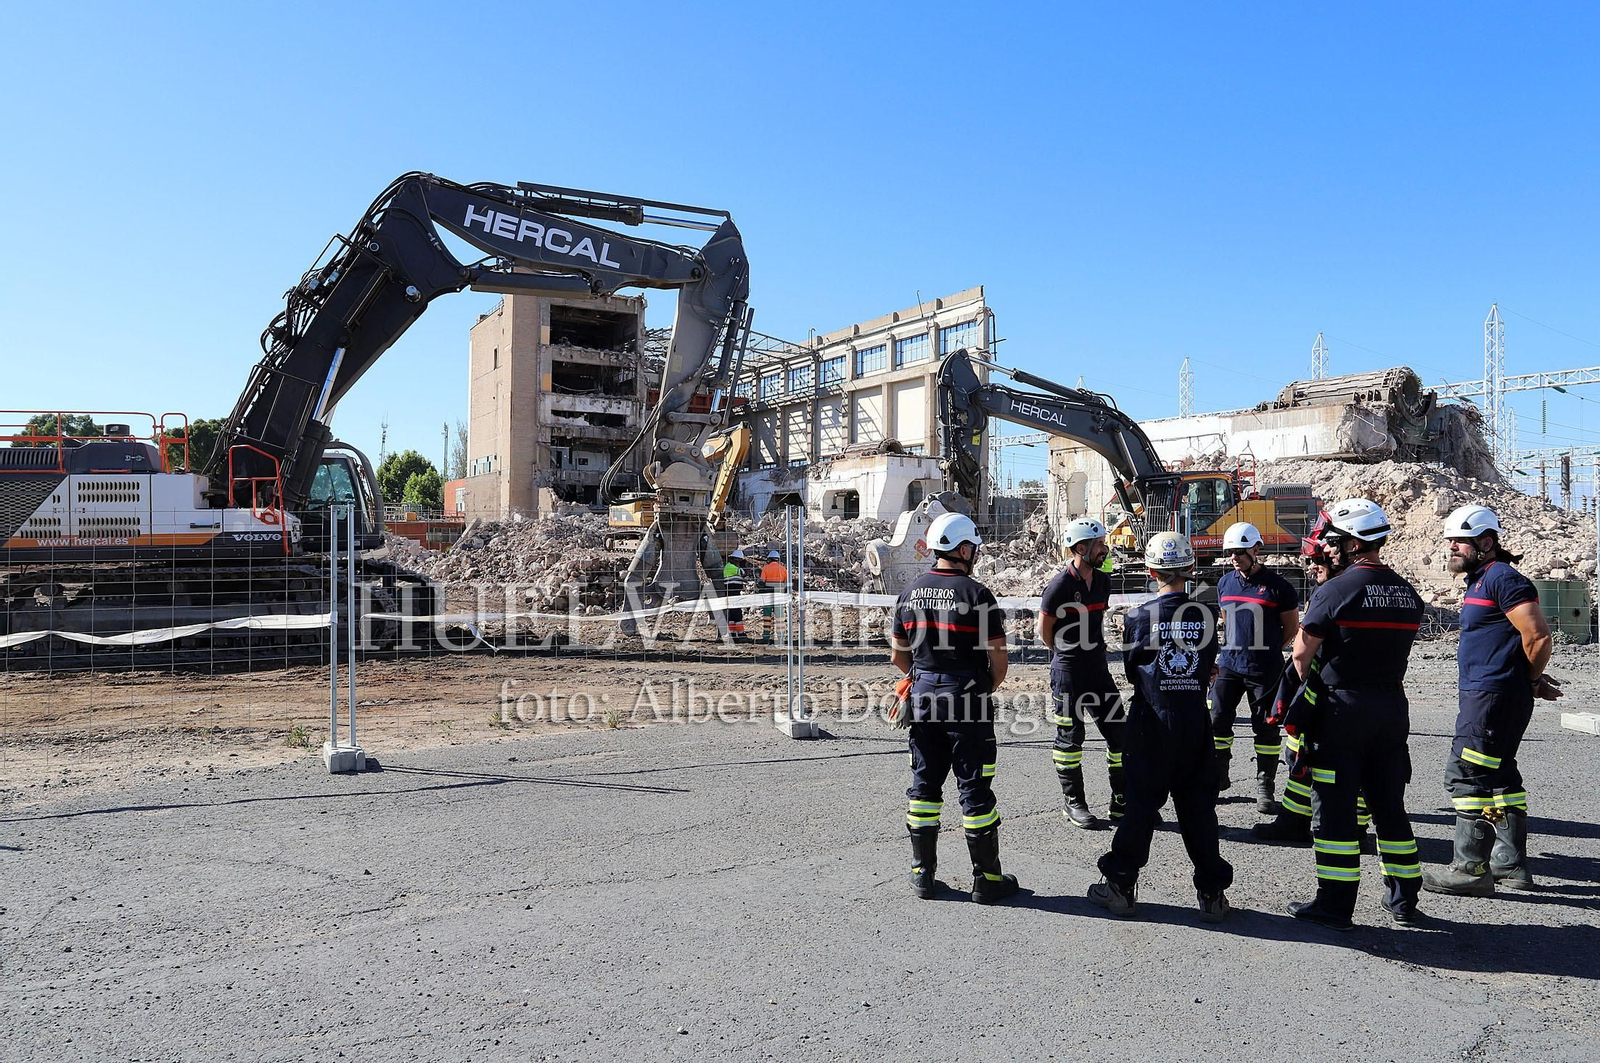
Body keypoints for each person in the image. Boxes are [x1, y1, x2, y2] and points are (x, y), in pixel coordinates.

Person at [1284, 498, 1425, 930]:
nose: (1326, 548)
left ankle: (1334, 905)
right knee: (1389, 805)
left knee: (1335, 809)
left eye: (1332, 541)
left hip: (1341, 712)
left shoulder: (1336, 589)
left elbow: (1301, 655)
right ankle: (1403, 899)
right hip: (1390, 709)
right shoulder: (1407, 591)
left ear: (1351, 543)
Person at [1087, 532, 1232, 921]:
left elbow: (1133, 668)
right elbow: (1208, 664)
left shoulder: (1138, 617)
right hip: (1193, 720)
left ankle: (1120, 886)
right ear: (1189, 568)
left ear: (1151, 571)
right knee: (1198, 808)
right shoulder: (1205, 613)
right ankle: (1212, 894)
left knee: (1140, 806)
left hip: (1151, 717)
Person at [1423, 505, 1561, 896]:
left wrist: (1529, 680)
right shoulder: (1481, 579)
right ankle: (1511, 863)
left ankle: (1470, 869)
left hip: (1491, 699)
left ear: (1486, 543)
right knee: (1501, 776)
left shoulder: (1503, 578)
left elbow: (1537, 637)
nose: (1452, 547)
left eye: (1460, 541)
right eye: (1450, 540)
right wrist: (1525, 681)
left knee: (1468, 776)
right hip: (1493, 695)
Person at [890, 512, 1018, 904]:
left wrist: (924, 676)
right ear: (963, 549)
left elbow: (898, 656)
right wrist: (980, 690)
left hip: (924, 698)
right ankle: (987, 880)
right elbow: (999, 662)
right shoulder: (977, 595)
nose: (975, 555)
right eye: (973, 548)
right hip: (967, 703)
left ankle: (922, 876)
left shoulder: (909, 593)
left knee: (924, 788)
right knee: (975, 791)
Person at [1254, 515, 1373, 845]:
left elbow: (1302, 654)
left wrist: (1306, 684)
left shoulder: (1342, 590)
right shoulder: (1337, 588)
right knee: (1299, 754)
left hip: (1338, 693)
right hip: (1332, 691)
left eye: (1318, 560)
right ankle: (1293, 821)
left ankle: (1354, 826)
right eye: (1310, 561)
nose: (1313, 567)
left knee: (1348, 763)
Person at [1038, 518, 1127, 829]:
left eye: (1103, 543)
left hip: (1097, 668)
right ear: (1080, 548)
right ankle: (1074, 802)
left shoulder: (1103, 581)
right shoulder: (1059, 586)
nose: (1105, 549)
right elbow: (1044, 633)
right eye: (1100, 544)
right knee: (1071, 736)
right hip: (1068, 672)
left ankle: (1121, 801)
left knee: (1119, 732)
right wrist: (1066, 655)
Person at [1209, 522, 1300, 813]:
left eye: (1240, 552)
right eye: (1230, 553)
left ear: (1256, 549)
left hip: (1265, 670)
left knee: (1266, 729)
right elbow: (1227, 619)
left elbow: (1291, 628)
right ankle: (1219, 777)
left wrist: (1269, 650)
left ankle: (1265, 786)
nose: (1235, 558)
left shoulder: (1280, 587)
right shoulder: (1225, 583)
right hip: (1229, 666)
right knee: (1217, 721)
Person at [759, 549, 788, 643]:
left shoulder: (766, 568)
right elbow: (786, 585)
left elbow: (761, 583)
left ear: (769, 559)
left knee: (767, 616)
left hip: (768, 596)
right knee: (779, 617)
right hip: (779, 596)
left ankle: (766, 636)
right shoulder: (783, 569)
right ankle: (781, 637)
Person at [722, 548, 748, 642]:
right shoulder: (731, 567)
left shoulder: (729, 566)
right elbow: (743, 573)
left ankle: (732, 632)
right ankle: (740, 633)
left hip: (732, 592)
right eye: (739, 561)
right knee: (737, 612)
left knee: (732, 613)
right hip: (733, 592)